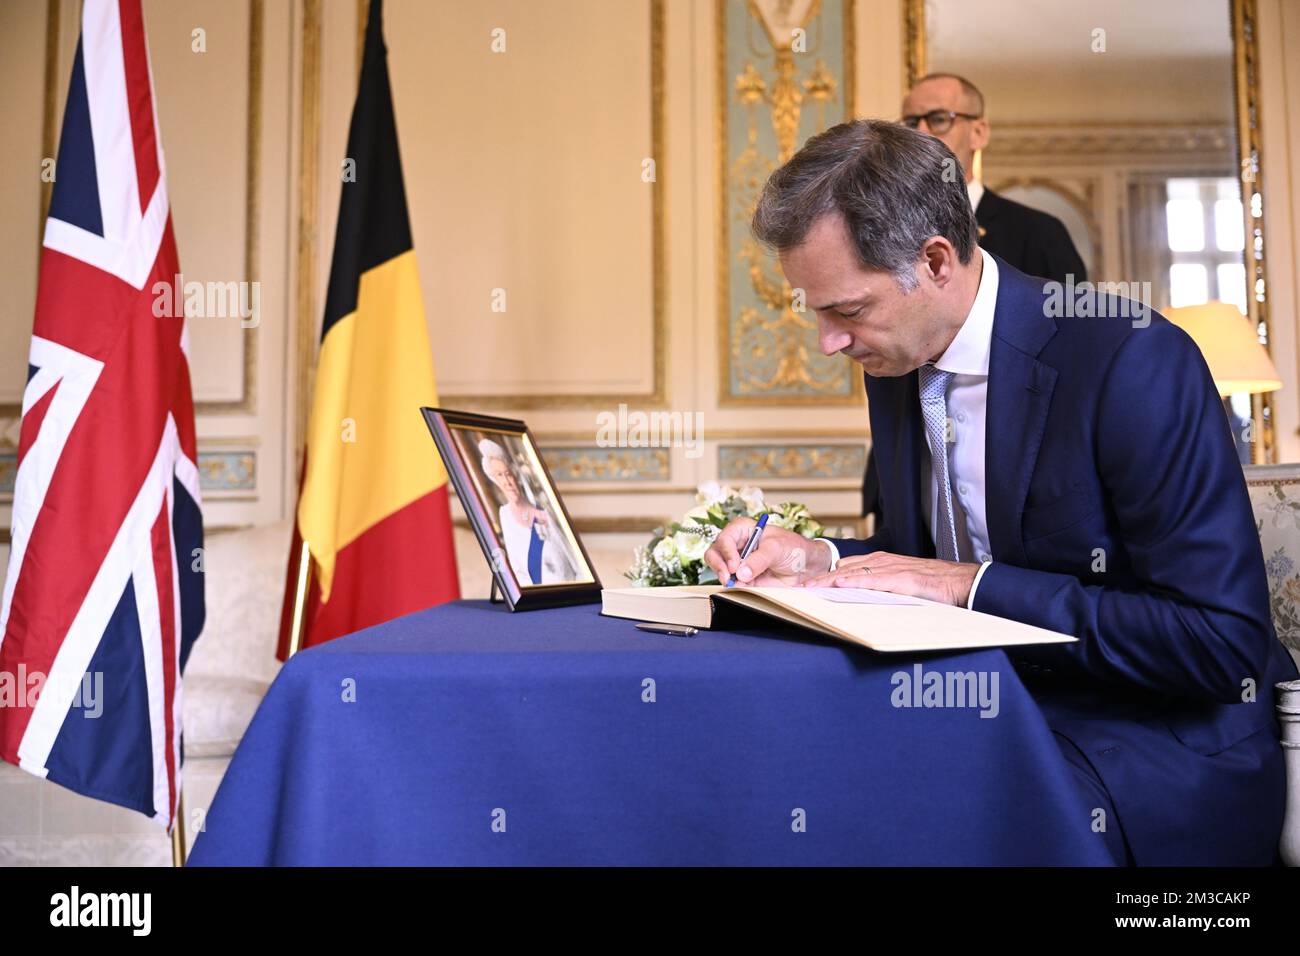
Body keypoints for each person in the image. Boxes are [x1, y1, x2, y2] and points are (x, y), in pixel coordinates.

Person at [704, 118, 1295, 865]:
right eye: (813, 310)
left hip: (1151, 739)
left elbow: (1218, 646)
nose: (828, 342)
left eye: (846, 310)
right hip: (980, 708)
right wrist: (816, 556)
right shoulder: (897, 361)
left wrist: (968, 588)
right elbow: (928, 564)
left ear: (937, 260)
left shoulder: (1132, 360)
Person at [864, 73, 1089, 520]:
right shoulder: (879, 230)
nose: (922, 132)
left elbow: (1071, 346)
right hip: (909, 466)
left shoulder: (1038, 232)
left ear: (979, 131)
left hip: (1016, 466)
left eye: (939, 118)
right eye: (910, 122)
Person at [479, 438, 577, 586]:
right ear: (494, 480)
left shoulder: (543, 511)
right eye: (500, 475)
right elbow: (517, 569)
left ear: (516, 475)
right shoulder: (504, 515)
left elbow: (574, 560)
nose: (507, 481)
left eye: (508, 473)